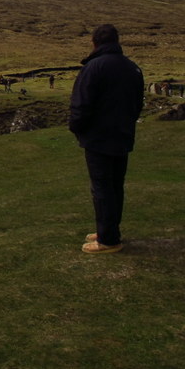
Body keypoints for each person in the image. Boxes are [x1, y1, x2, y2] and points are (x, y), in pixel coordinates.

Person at [69, 24, 145, 254]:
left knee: (101, 188)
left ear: (95, 42)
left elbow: (81, 104)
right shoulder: (132, 68)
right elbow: (137, 104)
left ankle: (109, 240)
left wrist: (77, 128)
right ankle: (108, 230)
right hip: (122, 135)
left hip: (98, 138)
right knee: (114, 186)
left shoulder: (94, 67)